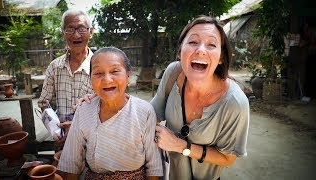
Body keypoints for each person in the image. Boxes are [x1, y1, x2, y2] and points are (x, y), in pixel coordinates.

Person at [151, 15, 249, 180]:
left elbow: (227, 158)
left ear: (221, 58)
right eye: (193, 42)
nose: (201, 50)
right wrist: (119, 102)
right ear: (180, 50)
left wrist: (180, 146)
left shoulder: (235, 103)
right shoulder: (174, 73)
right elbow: (151, 114)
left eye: (211, 44)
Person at [57, 47, 163, 179]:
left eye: (115, 71)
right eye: (98, 73)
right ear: (90, 79)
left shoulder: (144, 111)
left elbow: (154, 167)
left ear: (128, 76)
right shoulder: (84, 110)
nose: (107, 79)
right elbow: (71, 162)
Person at [37, 9, 95, 146]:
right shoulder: (54, 67)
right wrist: (56, 130)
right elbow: (44, 103)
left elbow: (108, 107)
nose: (76, 35)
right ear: (63, 33)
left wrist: (75, 126)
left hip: (93, 139)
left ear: (91, 32)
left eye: (81, 29)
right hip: (62, 140)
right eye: (69, 29)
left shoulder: (100, 68)